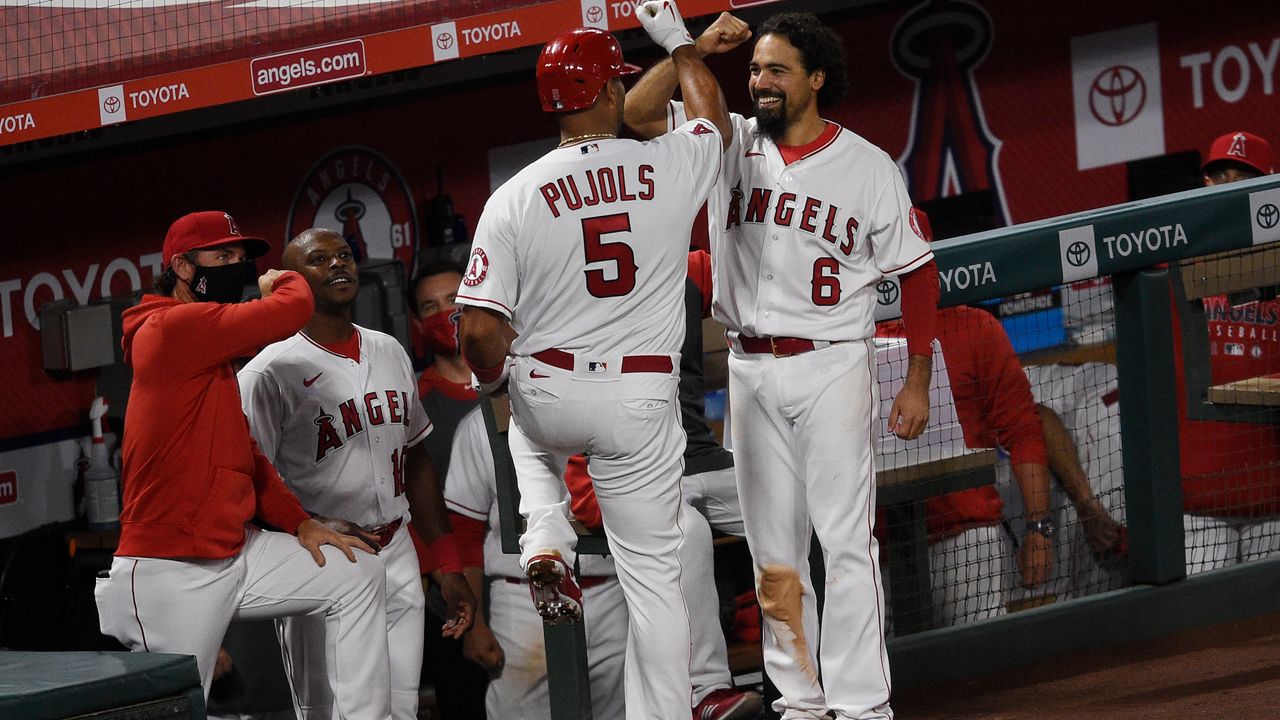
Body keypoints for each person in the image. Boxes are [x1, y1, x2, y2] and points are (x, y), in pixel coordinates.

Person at [626, 12, 938, 719]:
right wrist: (693, 47)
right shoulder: (726, 139)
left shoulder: (866, 166)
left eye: (777, 70)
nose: (760, 82)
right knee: (775, 555)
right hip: (749, 368)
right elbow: (637, 112)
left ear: (816, 79)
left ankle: (861, 706)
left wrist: (916, 377)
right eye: (755, 70)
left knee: (845, 543)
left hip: (832, 362)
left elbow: (918, 274)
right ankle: (799, 700)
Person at [456, 5, 734, 717]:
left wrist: (496, 384)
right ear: (609, 94)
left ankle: (544, 533)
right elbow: (712, 119)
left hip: (548, 386)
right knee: (655, 584)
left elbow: (481, 331)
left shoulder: (511, 197)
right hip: (638, 402)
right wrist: (680, 42)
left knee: (522, 427)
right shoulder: (662, 162)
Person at [94, 211, 391, 720]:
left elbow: (247, 457)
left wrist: (300, 523)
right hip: (171, 571)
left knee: (356, 572)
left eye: (242, 258)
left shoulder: (209, 353)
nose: (238, 267)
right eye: (223, 257)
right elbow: (292, 306)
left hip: (236, 552)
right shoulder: (168, 328)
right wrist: (280, 280)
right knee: (175, 712)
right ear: (183, 267)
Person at [237, 228, 475, 720]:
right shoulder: (267, 372)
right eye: (318, 260)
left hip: (399, 550)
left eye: (343, 255)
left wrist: (447, 565)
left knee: (401, 711)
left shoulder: (388, 349)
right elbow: (248, 481)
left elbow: (417, 460)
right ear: (291, 281)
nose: (337, 265)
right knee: (333, 714)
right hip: (326, 562)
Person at [446, 406, 629, 720]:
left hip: (614, 588)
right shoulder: (480, 425)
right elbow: (464, 529)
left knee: (624, 710)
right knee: (519, 711)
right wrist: (475, 624)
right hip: (521, 598)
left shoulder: (613, 404)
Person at [1177, 131, 1280, 574]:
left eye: (1243, 178)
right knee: (1195, 635)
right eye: (1220, 177)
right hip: (1197, 500)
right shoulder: (1173, 264)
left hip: (1274, 496)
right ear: (1205, 186)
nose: (1229, 187)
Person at [409, 260, 490, 718]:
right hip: (452, 601)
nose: (445, 313)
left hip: (526, 581)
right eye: (430, 307)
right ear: (418, 325)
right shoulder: (416, 402)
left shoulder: (517, 384)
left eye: (453, 300)